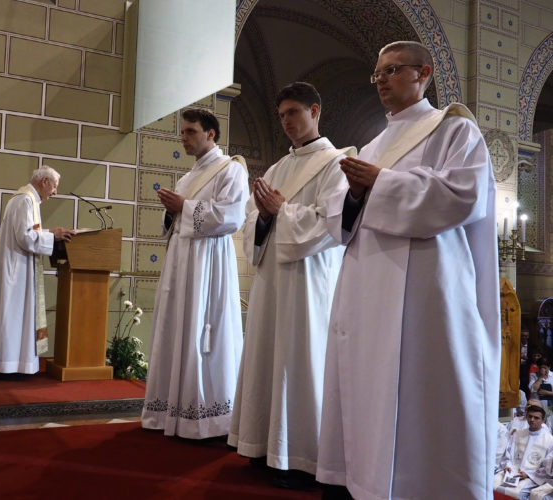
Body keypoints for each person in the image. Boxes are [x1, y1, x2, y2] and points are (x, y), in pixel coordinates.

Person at [316, 40, 499, 499]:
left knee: (421, 388)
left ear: (424, 73)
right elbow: (337, 211)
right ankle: (366, 480)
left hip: (426, 290)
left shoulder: (454, 128)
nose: (381, 80)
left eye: (393, 70)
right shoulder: (374, 144)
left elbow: (462, 195)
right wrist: (358, 193)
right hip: (366, 289)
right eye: (377, 73)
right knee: (368, 386)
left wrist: (381, 184)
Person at [227, 82, 351, 485]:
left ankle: (301, 457)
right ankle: (263, 445)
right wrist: (265, 218)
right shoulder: (277, 169)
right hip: (271, 282)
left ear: (315, 111)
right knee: (267, 357)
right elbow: (251, 223)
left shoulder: (337, 163)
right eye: (281, 115)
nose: (286, 122)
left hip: (309, 282)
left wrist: (281, 210)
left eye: (293, 112)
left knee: (302, 361)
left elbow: (331, 226)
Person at [141, 108, 249, 439]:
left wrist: (183, 207)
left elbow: (231, 217)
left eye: (190, 131)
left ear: (210, 134)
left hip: (209, 262)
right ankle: (171, 411)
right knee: (177, 327)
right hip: (181, 261)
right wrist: (172, 212)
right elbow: (177, 221)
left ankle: (207, 418)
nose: (183, 138)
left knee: (205, 329)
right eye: (183, 132)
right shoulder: (187, 177)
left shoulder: (230, 169)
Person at [0, 166, 74, 377]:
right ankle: (7, 367)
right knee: (14, 317)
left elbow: (28, 232)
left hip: (19, 266)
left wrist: (49, 232)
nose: (55, 192)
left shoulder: (27, 199)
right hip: (17, 270)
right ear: (44, 182)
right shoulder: (25, 200)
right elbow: (25, 237)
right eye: (54, 187)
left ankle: (11, 365)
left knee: (15, 317)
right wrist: (53, 236)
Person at [494, 405, 553, 499]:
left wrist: (528, 474)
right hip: (512, 471)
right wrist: (508, 466)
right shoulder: (518, 434)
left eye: (536, 418)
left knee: (517, 494)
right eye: (530, 416)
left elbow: (547, 466)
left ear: (543, 420)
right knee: (492, 485)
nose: (532, 420)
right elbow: (508, 454)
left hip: (532, 476)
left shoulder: (549, 440)